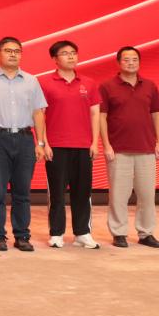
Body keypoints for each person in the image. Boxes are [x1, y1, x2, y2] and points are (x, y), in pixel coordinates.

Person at [0, 36, 48, 252]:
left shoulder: (31, 81)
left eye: (17, 51)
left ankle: (22, 235)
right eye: (8, 50)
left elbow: (38, 112)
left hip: (25, 139)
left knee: (22, 191)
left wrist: (40, 142)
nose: (12, 54)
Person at [99, 46, 159, 249]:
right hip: (118, 150)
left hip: (146, 149)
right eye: (126, 59)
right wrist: (106, 145)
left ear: (139, 62)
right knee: (118, 196)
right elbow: (101, 116)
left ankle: (146, 233)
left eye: (134, 59)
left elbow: (156, 115)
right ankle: (119, 233)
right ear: (119, 62)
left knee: (147, 195)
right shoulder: (107, 86)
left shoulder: (150, 86)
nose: (131, 63)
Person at [39, 40, 101, 249]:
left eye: (73, 52)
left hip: (83, 146)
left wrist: (95, 142)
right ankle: (56, 233)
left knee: (83, 192)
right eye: (65, 53)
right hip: (56, 146)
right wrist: (44, 143)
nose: (71, 56)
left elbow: (95, 113)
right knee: (57, 193)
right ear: (55, 59)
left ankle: (82, 233)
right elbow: (40, 115)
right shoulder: (45, 83)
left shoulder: (88, 83)